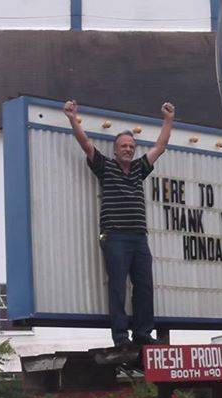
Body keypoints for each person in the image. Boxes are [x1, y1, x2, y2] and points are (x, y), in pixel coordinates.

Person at [63, 99, 175, 347]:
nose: (128, 149)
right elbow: (85, 144)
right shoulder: (105, 167)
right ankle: (121, 336)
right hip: (115, 237)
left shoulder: (139, 168)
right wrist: (72, 118)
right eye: (123, 146)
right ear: (115, 150)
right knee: (117, 287)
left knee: (144, 286)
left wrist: (168, 120)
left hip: (139, 237)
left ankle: (143, 334)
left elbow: (160, 145)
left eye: (131, 146)